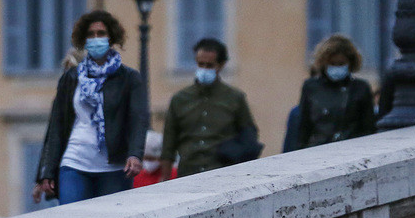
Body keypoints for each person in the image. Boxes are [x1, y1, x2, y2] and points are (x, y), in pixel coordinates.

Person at [32, 10, 146, 205]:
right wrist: (46, 172)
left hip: (114, 168)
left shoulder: (129, 78)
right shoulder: (71, 77)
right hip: (74, 162)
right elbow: (56, 126)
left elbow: (138, 120)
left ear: (111, 38)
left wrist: (135, 154)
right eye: (90, 34)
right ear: (83, 40)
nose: (95, 39)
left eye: (101, 34)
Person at [159, 38, 260, 179]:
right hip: (188, 174)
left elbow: (249, 137)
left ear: (221, 65)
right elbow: (168, 145)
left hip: (223, 174)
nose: (204, 69)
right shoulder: (180, 99)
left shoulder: (235, 98)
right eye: (200, 64)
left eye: (210, 65)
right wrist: (165, 180)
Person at [296, 34, 376, 149]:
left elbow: (368, 128)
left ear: (350, 64)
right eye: (332, 64)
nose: (337, 67)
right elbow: (303, 127)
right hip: (318, 150)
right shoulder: (311, 87)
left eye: (341, 64)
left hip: (352, 150)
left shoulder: (361, 88)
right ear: (324, 63)